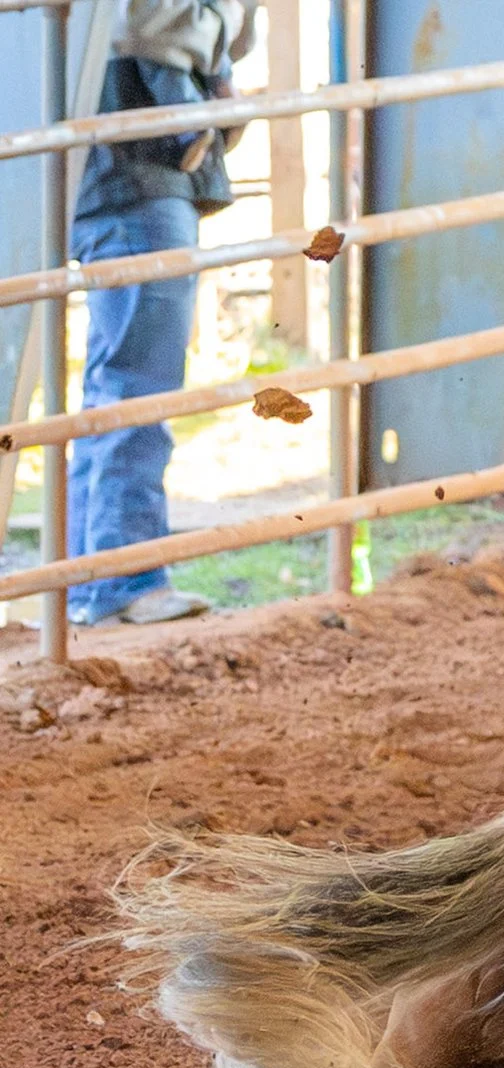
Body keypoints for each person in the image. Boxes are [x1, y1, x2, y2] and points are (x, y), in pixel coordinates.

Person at [66, 0, 260, 627]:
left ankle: (94, 576)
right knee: (136, 376)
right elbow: (137, 20)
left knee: (121, 373)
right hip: (133, 148)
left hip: (132, 140)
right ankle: (125, 576)